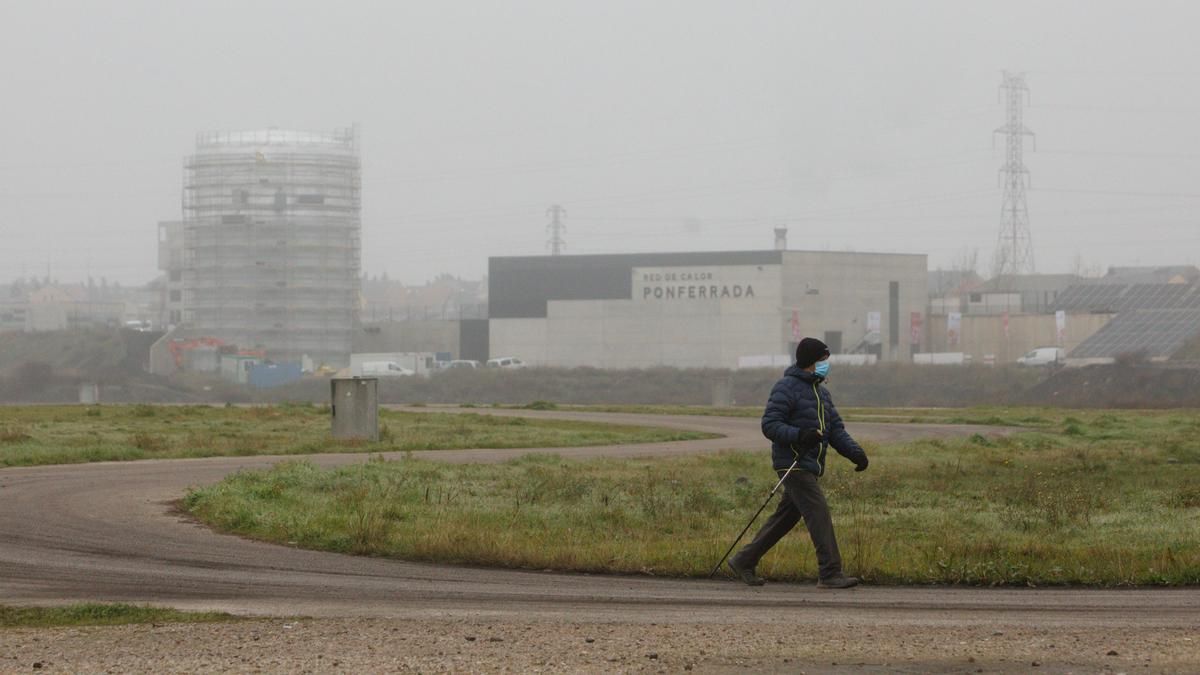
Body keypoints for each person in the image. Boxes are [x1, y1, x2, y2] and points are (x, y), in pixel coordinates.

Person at [727, 337, 869, 589]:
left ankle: (744, 560)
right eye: (824, 360)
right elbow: (770, 425)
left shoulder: (822, 393)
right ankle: (830, 573)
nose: (827, 365)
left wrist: (856, 453)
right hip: (793, 463)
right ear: (812, 362)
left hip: (809, 465)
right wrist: (799, 435)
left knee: (785, 518)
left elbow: (835, 430)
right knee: (818, 513)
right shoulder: (786, 387)